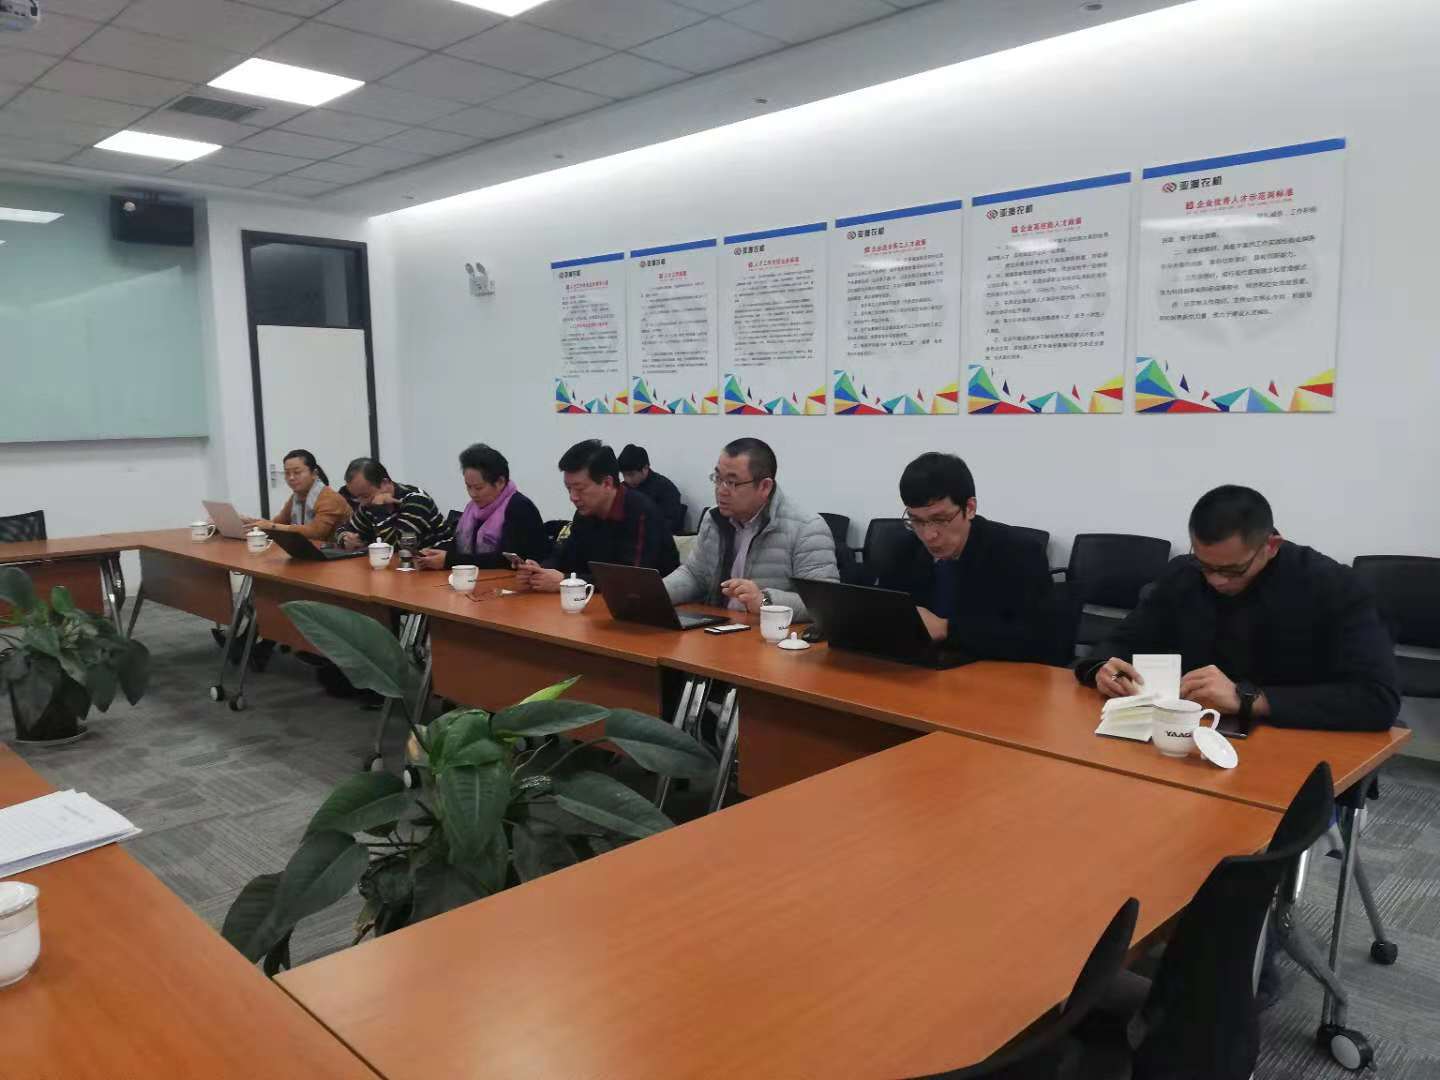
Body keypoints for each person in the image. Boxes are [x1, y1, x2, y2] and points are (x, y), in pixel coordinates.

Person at [1078, 485, 1399, 731]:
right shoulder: (1183, 575)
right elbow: (1122, 641)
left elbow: (1377, 699)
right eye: (1205, 565)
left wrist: (1249, 699)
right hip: (1189, 734)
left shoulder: (1333, 586)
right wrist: (1103, 669)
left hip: (1289, 739)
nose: (1216, 581)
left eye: (1233, 570)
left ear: (1271, 546)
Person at [878, 452, 1054, 661]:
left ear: (969, 508)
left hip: (991, 673)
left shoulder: (1020, 553)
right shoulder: (903, 550)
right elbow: (884, 616)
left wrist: (945, 628)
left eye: (940, 519)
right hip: (917, 669)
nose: (928, 535)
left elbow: (1039, 640)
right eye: (916, 520)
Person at [663, 437, 837, 619]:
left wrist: (764, 601)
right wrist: (655, 594)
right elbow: (694, 575)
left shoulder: (806, 529)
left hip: (767, 632)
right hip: (715, 624)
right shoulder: (714, 518)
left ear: (764, 486)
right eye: (718, 478)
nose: (721, 490)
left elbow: (824, 604)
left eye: (732, 482)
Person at [515, 440, 679, 592]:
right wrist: (540, 570)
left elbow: (631, 580)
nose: (573, 497)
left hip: (653, 602)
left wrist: (567, 581)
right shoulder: (585, 513)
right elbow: (567, 556)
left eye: (580, 489)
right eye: (568, 489)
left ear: (607, 483)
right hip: (598, 599)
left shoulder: (641, 513)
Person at [417, 443, 550, 570]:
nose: (472, 494)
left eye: (479, 488)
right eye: (468, 487)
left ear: (500, 482)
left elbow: (506, 560)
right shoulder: (472, 509)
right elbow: (459, 546)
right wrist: (434, 554)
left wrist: (449, 560)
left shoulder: (519, 507)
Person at [336, 459, 447, 551]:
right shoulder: (368, 503)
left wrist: (379, 510)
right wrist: (345, 538)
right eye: (357, 497)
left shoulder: (416, 500)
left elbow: (399, 549)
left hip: (435, 567)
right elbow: (342, 529)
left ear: (385, 483)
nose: (362, 503)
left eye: (365, 496)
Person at [246, 449, 348, 543]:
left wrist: (272, 526)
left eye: (297, 472)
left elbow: (316, 533)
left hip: (337, 554)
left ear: (314, 473)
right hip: (309, 550)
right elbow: (277, 523)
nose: (291, 478)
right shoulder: (296, 497)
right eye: (287, 473)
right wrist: (249, 522)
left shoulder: (330, 498)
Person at [618, 444, 685, 533]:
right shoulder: (624, 488)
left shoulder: (666, 489)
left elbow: (669, 524)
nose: (627, 480)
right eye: (624, 475)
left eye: (631, 475)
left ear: (645, 468)